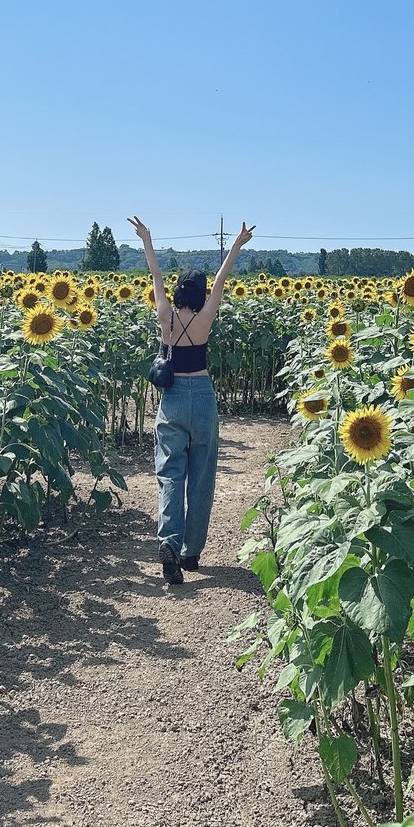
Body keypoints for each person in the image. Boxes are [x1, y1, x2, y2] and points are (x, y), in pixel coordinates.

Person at [128, 216, 255, 585]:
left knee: (169, 474)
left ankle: (169, 541)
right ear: (200, 293)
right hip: (201, 395)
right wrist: (236, 245)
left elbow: (155, 276)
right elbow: (221, 280)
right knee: (201, 477)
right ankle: (191, 552)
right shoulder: (206, 316)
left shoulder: (165, 315)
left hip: (170, 399)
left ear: (178, 291)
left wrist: (148, 240)